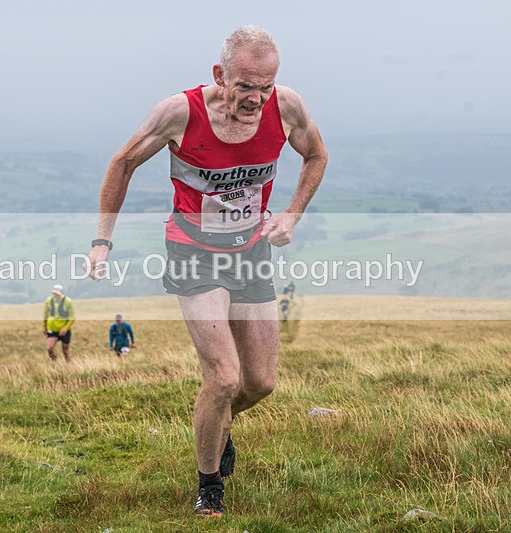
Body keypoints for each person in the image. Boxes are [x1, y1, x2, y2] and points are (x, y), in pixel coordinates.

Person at [86, 26, 327, 516]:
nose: (256, 98)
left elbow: (316, 155)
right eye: (245, 86)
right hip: (193, 251)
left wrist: (292, 214)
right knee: (223, 378)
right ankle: (209, 485)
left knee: (260, 383)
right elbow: (123, 163)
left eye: (265, 86)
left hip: (251, 252)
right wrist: (101, 242)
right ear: (220, 76)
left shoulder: (287, 107)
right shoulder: (180, 113)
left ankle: (216, 425)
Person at [42, 284, 75, 363]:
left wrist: (65, 328)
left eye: (57, 294)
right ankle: (56, 364)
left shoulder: (68, 301)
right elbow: (45, 314)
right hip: (52, 329)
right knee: (50, 349)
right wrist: (44, 327)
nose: (55, 296)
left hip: (64, 329)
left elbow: (72, 317)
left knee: (65, 350)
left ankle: (69, 364)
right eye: (54, 294)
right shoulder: (48, 301)